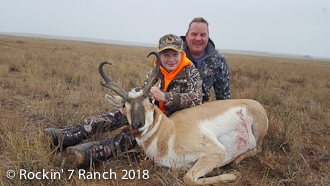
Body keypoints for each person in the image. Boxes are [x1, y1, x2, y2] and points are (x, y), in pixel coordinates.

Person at [44, 34, 203, 167]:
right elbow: (143, 94)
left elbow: (197, 100)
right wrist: (130, 100)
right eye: (166, 55)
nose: (171, 59)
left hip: (169, 124)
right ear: (160, 55)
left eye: (175, 54)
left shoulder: (191, 73)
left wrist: (166, 97)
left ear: (182, 54)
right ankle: (69, 135)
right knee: (115, 115)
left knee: (131, 135)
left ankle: (89, 152)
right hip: (148, 111)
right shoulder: (154, 72)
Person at [181, 17, 231, 101]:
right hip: (175, 105)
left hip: (203, 106)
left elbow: (224, 96)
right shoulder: (173, 56)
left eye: (202, 35)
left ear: (208, 37)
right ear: (187, 36)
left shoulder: (218, 60)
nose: (198, 39)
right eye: (194, 34)